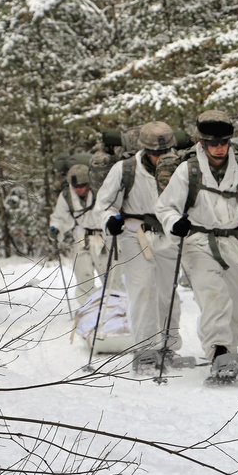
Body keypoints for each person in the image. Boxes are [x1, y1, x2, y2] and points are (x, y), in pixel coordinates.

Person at [155, 110, 238, 383]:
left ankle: (229, 352)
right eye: (213, 143)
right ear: (202, 142)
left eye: (224, 142)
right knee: (214, 296)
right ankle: (219, 351)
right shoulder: (188, 169)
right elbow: (165, 207)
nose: (219, 147)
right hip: (197, 242)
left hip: (232, 242)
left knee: (237, 303)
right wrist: (175, 223)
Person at [93, 121, 183, 374]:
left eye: (164, 153)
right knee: (142, 289)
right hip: (135, 234)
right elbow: (104, 202)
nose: (159, 158)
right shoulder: (125, 169)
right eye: (155, 153)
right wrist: (109, 219)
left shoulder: (180, 168)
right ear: (144, 150)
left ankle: (168, 345)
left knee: (169, 292)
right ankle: (144, 348)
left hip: (168, 234)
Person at [49, 163, 105, 307]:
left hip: (104, 237)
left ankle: (117, 310)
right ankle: (88, 309)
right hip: (82, 237)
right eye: (76, 186)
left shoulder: (101, 191)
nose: (79, 189)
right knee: (83, 275)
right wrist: (55, 228)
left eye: (82, 185)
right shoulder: (67, 196)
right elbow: (60, 217)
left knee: (111, 275)